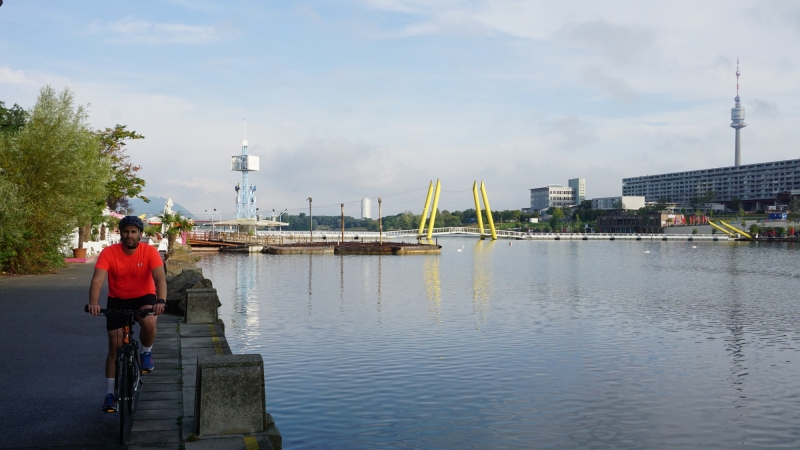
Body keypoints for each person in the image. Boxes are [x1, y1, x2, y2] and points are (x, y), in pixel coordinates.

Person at [88, 216, 167, 413]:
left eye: (133, 231)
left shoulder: (149, 251)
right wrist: (94, 303)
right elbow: (97, 280)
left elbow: (160, 278)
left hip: (144, 296)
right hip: (117, 299)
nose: (129, 235)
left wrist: (161, 301)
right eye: (125, 231)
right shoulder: (109, 252)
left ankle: (146, 351)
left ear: (140, 234)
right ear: (120, 233)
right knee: (114, 347)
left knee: (149, 321)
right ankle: (109, 394)